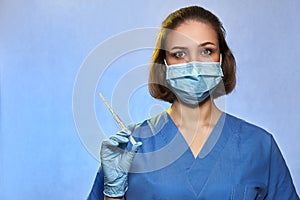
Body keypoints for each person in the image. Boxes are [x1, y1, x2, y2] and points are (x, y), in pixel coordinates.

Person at [87, 6, 299, 200]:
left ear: (221, 60)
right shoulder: (132, 149)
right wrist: (113, 192)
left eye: (206, 51)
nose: (194, 65)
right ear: (164, 65)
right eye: (179, 54)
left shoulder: (258, 145)